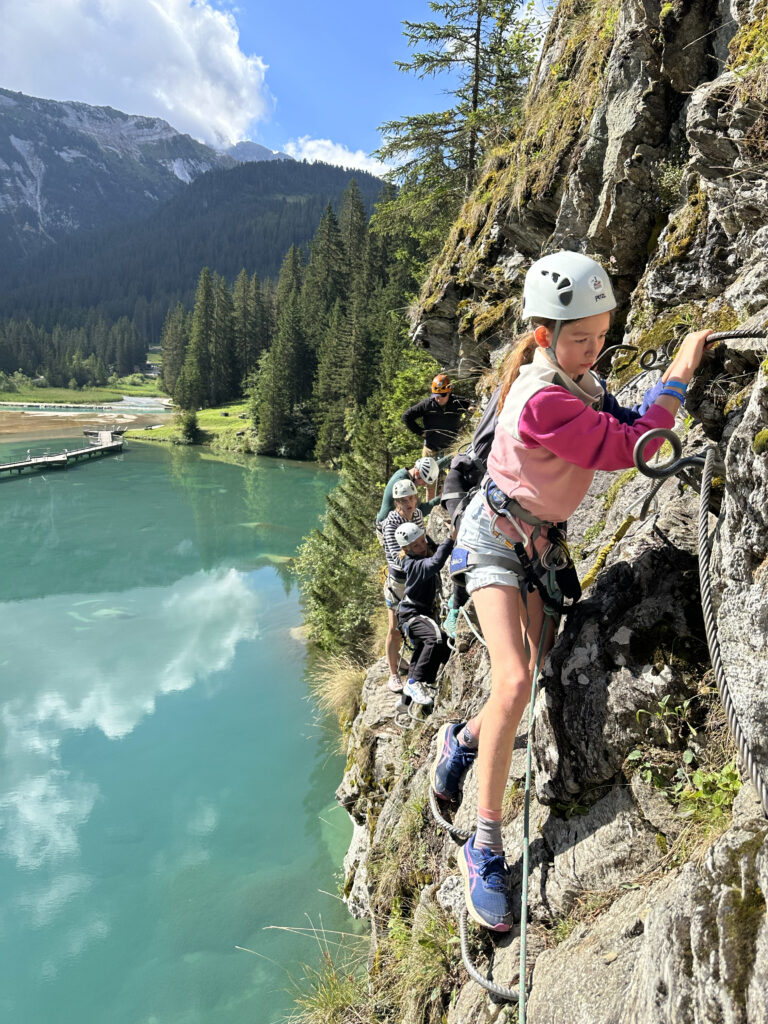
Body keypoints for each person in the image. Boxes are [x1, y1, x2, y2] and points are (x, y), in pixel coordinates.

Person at [429, 250, 715, 932]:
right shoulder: (546, 399)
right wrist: (679, 371)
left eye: (600, 335)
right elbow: (639, 447)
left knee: (543, 667)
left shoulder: (572, 379)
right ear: (543, 337)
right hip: (498, 541)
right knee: (517, 681)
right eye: (580, 339)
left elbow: (624, 419)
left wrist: (660, 388)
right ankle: (486, 845)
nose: (592, 351)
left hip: (537, 541)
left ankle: (461, 743)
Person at [394, 519, 454, 709]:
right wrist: (452, 538)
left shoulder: (423, 551)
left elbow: (435, 550)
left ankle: (405, 702)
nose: (421, 547)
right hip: (412, 615)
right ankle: (414, 683)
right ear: (407, 549)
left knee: (431, 650)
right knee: (435, 637)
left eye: (422, 541)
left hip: (417, 614)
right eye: (415, 545)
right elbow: (435, 563)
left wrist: (449, 529)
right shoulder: (413, 564)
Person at [381, 480, 427, 692]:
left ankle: (412, 663)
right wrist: (424, 563)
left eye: (412, 498)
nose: (410, 503)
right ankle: (393, 674)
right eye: (404, 500)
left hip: (415, 575)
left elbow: (423, 541)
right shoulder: (390, 523)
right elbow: (395, 557)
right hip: (399, 581)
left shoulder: (417, 515)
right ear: (396, 502)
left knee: (419, 623)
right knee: (395, 629)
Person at [402, 374, 475, 499]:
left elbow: (472, 402)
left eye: (442, 395)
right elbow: (407, 416)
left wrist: (471, 407)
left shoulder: (456, 402)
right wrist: (420, 432)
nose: (438, 399)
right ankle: (431, 512)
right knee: (429, 482)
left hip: (450, 448)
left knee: (452, 479)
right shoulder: (427, 405)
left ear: (449, 392)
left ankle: (448, 504)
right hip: (431, 448)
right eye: (436, 395)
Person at [376, 457, 441, 545]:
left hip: (401, 524)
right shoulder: (403, 486)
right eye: (424, 481)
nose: (424, 485)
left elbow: (431, 467)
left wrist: (452, 456)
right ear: (417, 473)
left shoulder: (406, 474)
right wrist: (442, 497)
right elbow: (422, 510)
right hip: (390, 529)